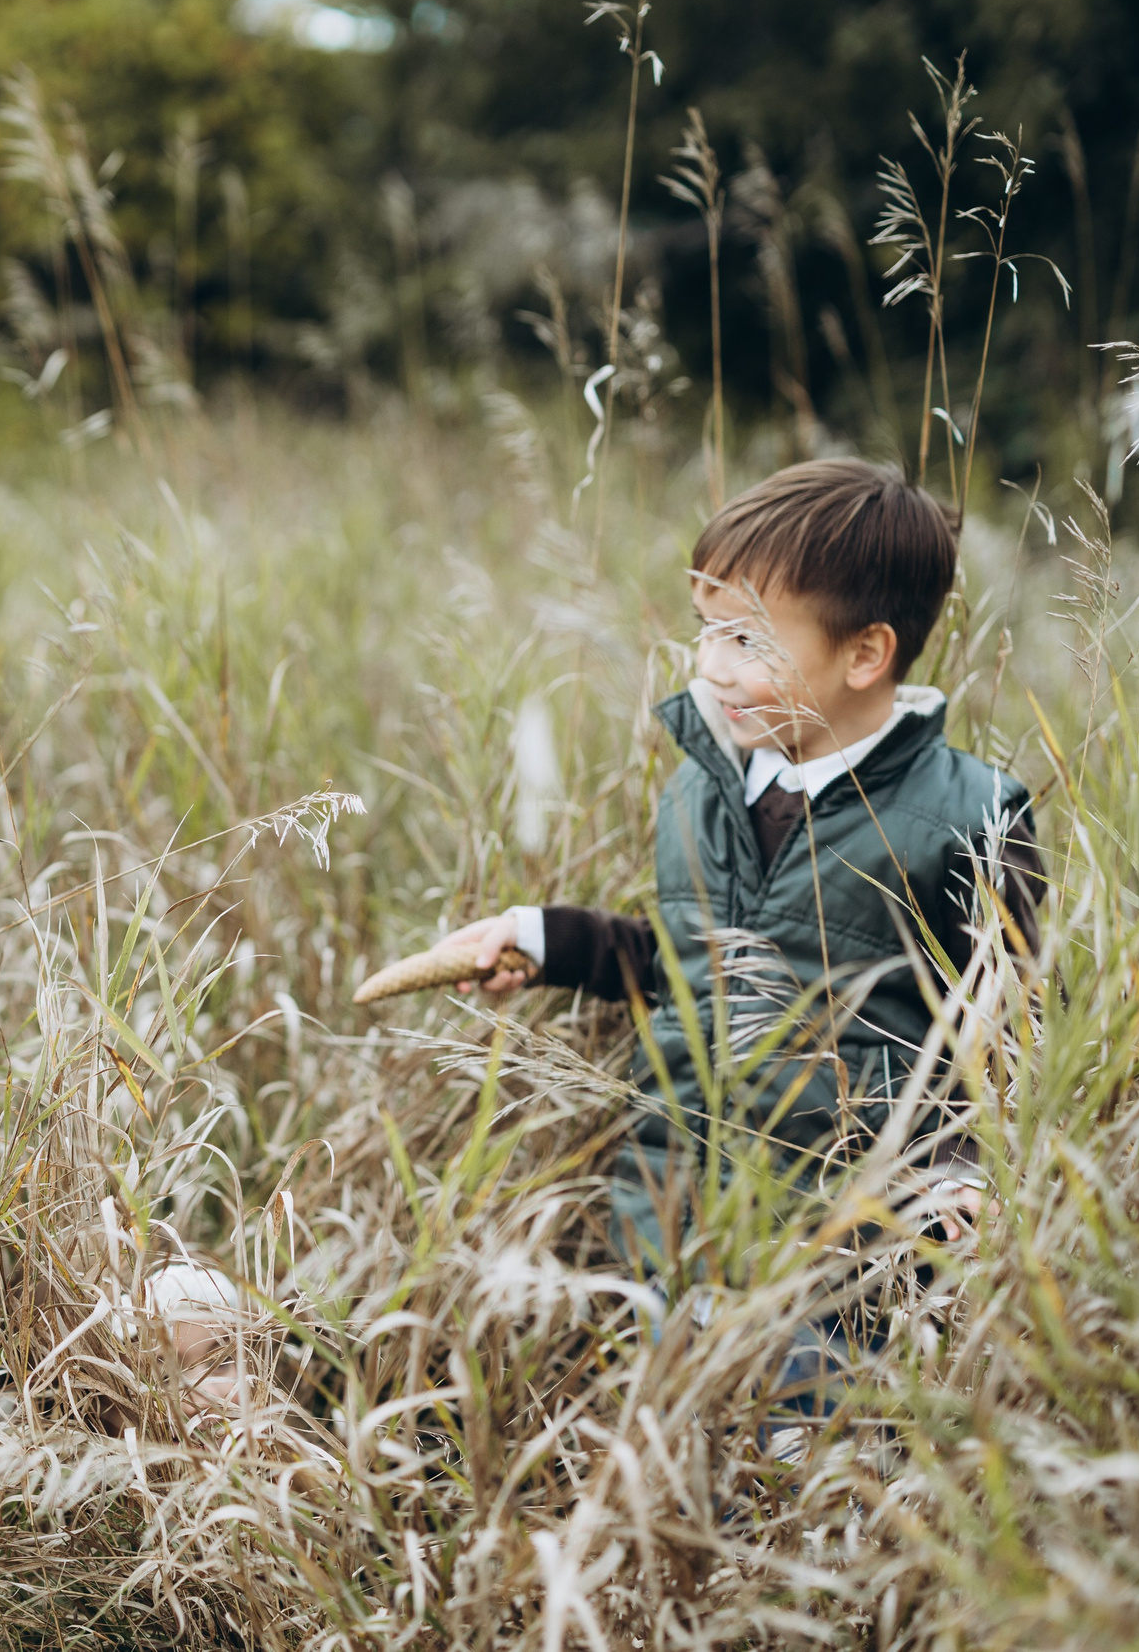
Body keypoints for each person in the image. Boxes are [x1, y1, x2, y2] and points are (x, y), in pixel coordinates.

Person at [440, 459, 1041, 1264]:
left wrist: (966, 1169)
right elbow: (689, 964)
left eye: (746, 638)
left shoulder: (967, 818)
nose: (709, 665)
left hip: (844, 1258)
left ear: (865, 653)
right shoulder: (700, 789)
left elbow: (1014, 1028)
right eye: (705, 628)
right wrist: (544, 938)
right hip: (667, 1231)